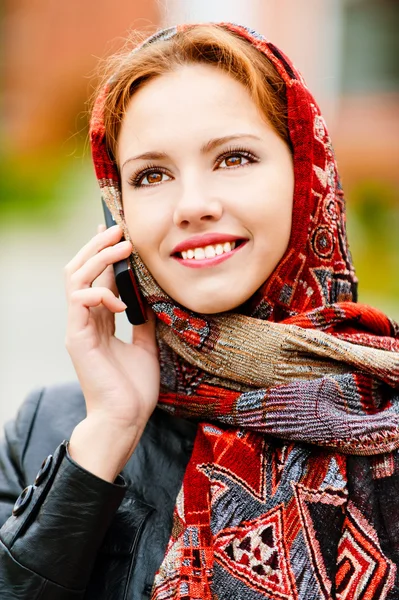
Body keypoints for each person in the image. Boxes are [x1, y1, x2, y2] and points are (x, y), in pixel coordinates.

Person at [0, 22, 398, 600]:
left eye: (234, 158)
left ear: (306, 178)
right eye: (152, 175)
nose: (192, 205)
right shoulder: (51, 432)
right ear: (118, 215)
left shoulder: (383, 411)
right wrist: (106, 437)